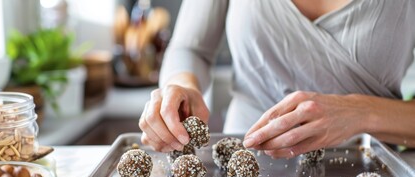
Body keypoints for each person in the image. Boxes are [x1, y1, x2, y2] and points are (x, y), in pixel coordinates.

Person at [138, 0, 415, 159]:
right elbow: (191, 49)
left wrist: (361, 112)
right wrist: (183, 86)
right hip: (243, 162)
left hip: (372, 168)